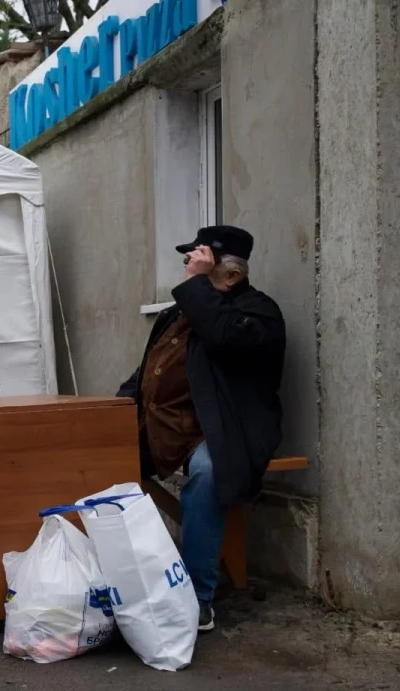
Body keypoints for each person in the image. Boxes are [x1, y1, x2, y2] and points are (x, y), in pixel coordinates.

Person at [117, 225, 285, 632]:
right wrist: (115, 409)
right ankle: (113, 580)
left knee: (209, 474)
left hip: (224, 433)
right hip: (164, 427)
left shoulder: (258, 312)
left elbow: (224, 336)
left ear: (231, 276)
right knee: (88, 454)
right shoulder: (182, 312)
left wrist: (194, 286)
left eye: (198, 266)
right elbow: (146, 372)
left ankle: (196, 596)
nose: (188, 272)